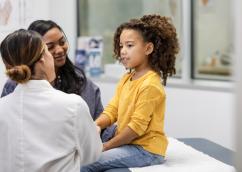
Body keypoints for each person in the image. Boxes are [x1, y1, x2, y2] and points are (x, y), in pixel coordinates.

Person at [81, 14, 179, 171]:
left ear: (148, 48)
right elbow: (113, 110)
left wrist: (106, 146)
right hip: (130, 144)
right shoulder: (127, 78)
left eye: (129, 45)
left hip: (146, 150)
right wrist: (96, 124)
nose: (123, 52)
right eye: (121, 46)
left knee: (86, 163)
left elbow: (135, 129)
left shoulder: (150, 85)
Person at [0, 29, 102, 172]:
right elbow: (92, 156)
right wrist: (93, 132)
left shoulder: (2, 108)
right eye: (49, 50)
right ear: (42, 58)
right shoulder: (73, 106)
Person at [0, 20, 116, 142]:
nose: (60, 50)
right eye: (50, 47)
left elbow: (101, 130)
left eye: (62, 42)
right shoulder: (14, 88)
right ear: (35, 54)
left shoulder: (81, 82)